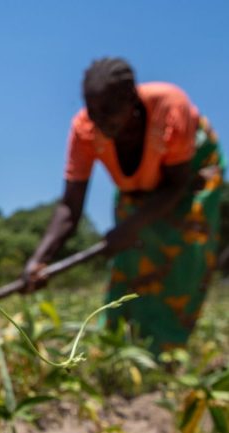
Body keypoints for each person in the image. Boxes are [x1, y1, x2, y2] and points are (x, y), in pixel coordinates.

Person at [24, 58, 224, 353]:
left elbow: (175, 185)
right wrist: (40, 258)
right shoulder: (84, 129)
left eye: (109, 111)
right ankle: (119, 345)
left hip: (188, 181)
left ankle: (165, 352)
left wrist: (130, 226)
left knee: (184, 254)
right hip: (138, 190)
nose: (101, 121)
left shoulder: (170, 106)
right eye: (93, 112)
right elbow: (70, 206)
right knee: (130, 256)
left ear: (131, 99)